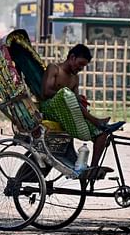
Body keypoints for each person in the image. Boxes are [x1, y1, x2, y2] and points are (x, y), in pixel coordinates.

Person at [39, 44, 111, 179]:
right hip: (50, 109)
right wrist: (71, 97)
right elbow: (45, 92)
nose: (80, 68)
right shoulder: (54, 69)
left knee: (102, 133)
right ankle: (95, 120)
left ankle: (93, 169)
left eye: (83, 67)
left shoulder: (74, 79)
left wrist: (79, 100)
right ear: (72, 57)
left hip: (67, 115)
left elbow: (75, 101)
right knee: (66, 94)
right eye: (80, 64)